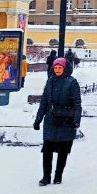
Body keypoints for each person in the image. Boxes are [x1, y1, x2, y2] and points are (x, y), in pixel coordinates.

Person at [33, 56, 82, 186]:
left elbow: (77, 103)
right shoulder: (50, 81)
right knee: (47, 150)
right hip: (51, 120)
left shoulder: (72, 82)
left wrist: (76, 120)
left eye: (60, 67)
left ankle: (58, 176)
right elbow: (44, 102)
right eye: (55, 67)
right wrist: (38, 119)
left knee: (63, 150)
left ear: (65, 69)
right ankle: (46, 177)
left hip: (66, 121)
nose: (57, 70)